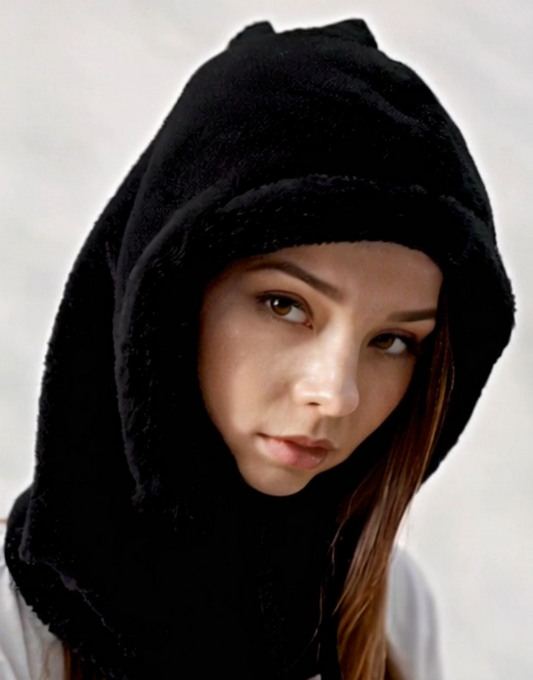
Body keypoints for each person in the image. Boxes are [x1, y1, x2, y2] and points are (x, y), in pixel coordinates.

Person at [0, 17, 514, 680]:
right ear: (170, 300)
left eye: (391, 340)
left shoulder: (387, 603)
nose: (337, 393)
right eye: (285, 305)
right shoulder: (15, 624)